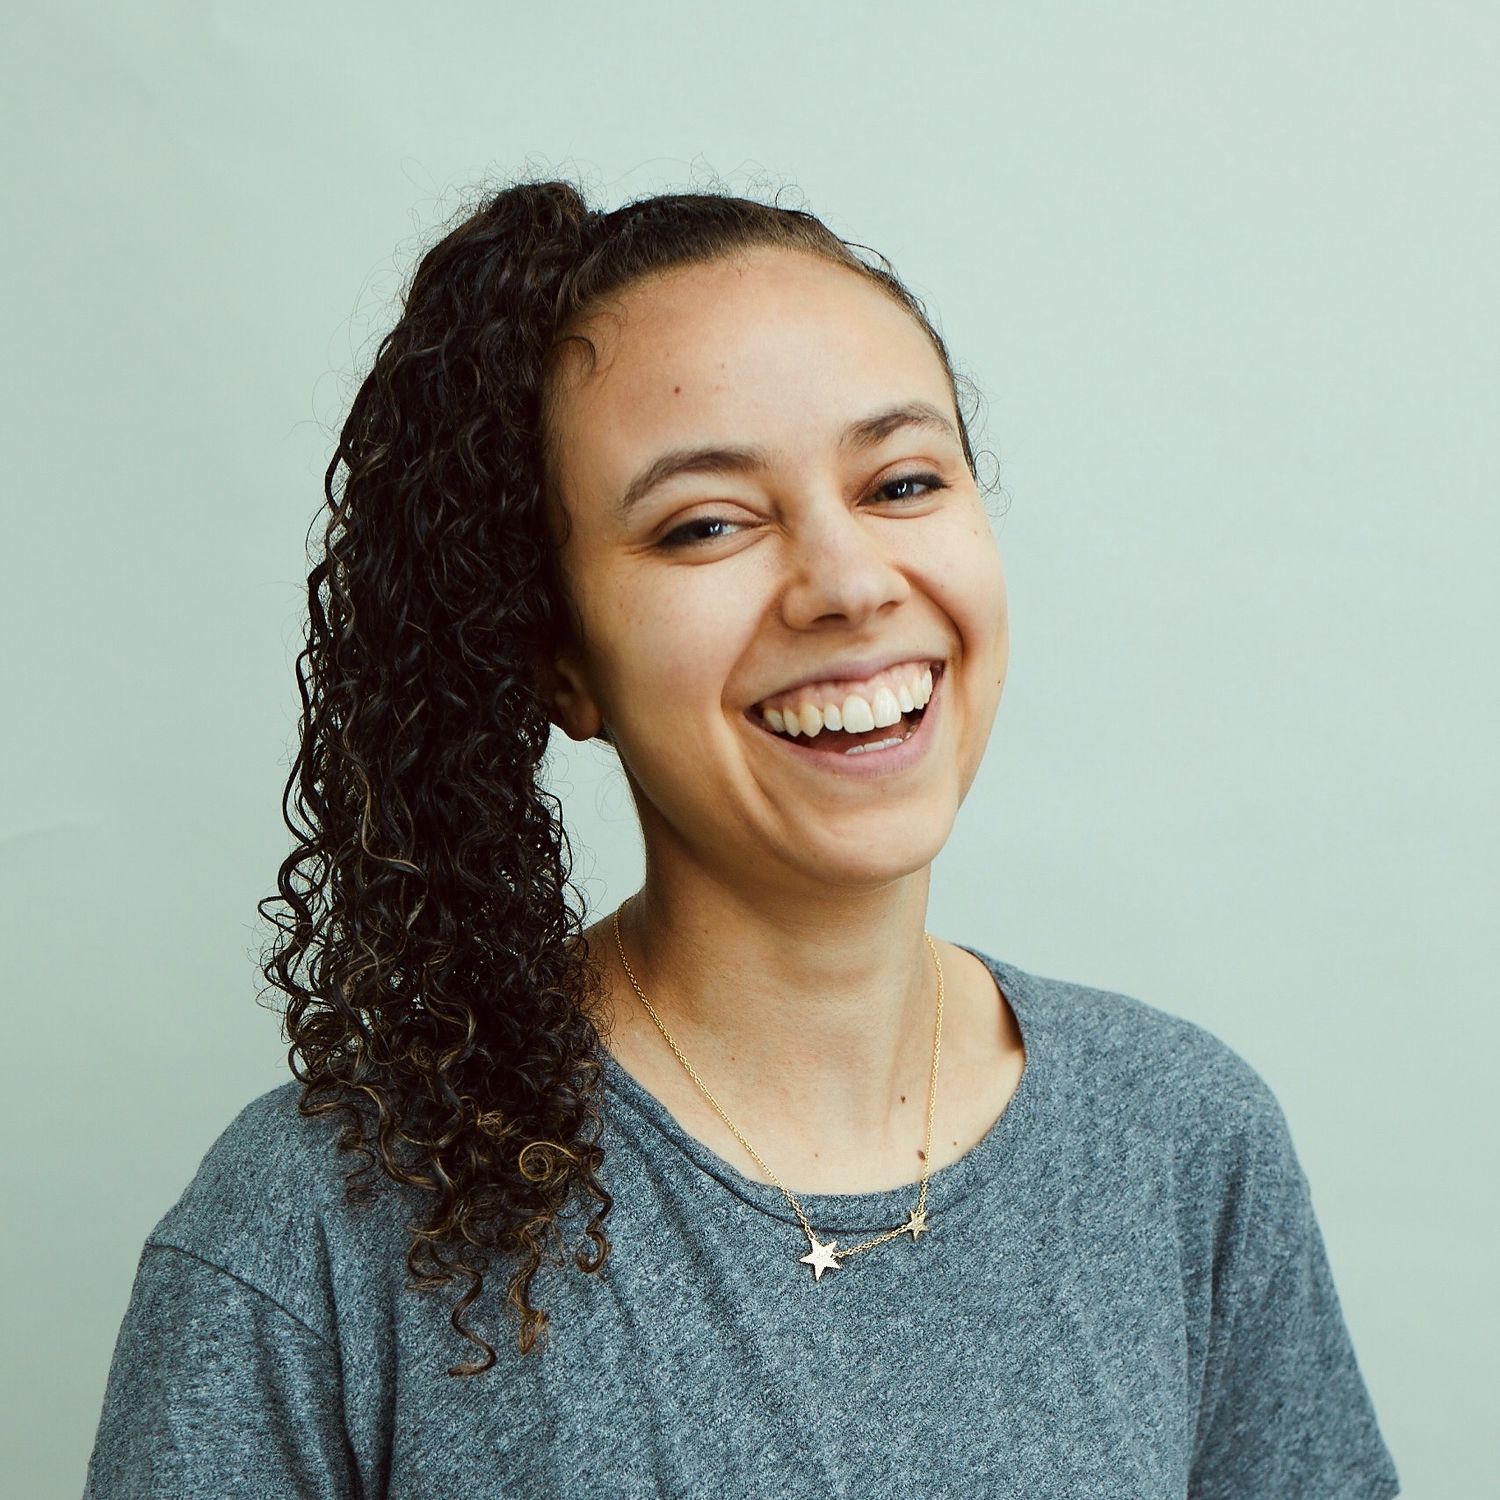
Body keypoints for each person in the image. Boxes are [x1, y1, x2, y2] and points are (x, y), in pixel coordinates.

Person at [84, 179, 1401, 1498]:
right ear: (557, 660)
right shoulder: (318, 1228)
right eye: (706, 523)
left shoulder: (1181, 1140)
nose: (849, 583)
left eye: (902, 481)